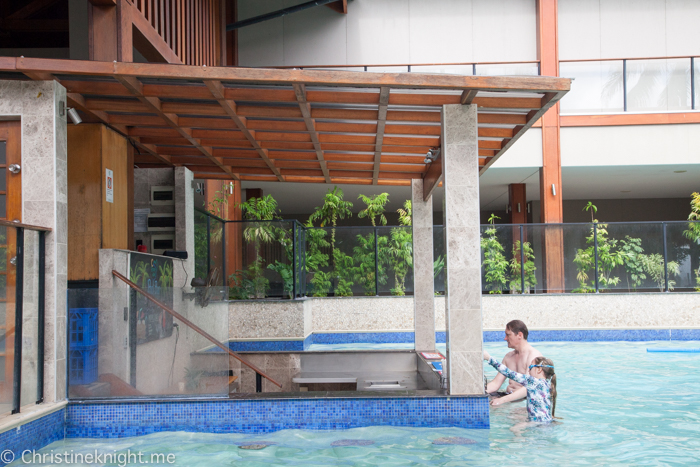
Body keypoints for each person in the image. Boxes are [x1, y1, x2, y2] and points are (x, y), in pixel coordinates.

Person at [483, 350, 557, 423]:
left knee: (515, 429)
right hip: (547, 422)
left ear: (539, 370)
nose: (529, 370)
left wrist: (489, 358)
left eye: (531, 367)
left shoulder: (533, 382)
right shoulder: (549, 385)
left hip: (537, 423)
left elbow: (509, 373)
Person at [485, 320, 542, 406]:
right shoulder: (508, 357)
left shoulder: (534, 357)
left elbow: (528, 388)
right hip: (509, 396)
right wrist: (479, 392)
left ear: (519, 335)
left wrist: (502, 400)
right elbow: (496, 383)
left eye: (508, 335)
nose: (505, 338)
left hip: (523, 400)